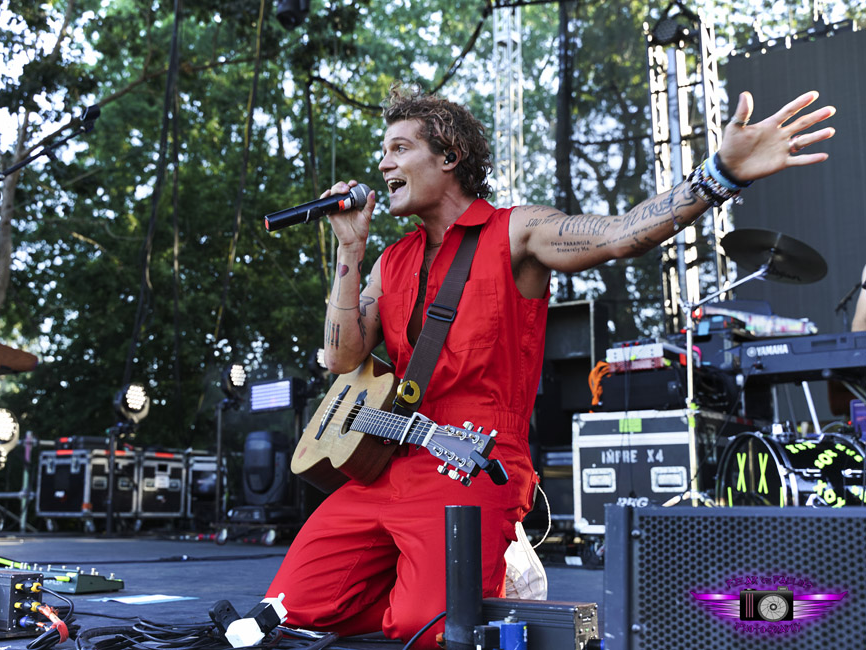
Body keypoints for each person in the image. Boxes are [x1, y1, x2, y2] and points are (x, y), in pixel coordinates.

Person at [266, 84, 835, 647]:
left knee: (427, 628)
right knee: (284, 613)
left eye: (398, 148)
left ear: (448, 156)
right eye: (383, 151)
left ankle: (488, 573)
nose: (383, 162)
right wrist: (349, 249)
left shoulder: (518, 231)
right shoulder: (391, 261)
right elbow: (342, 359)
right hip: (386, 462)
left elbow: (620, 237)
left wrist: (720, 175)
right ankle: (472, 579)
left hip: (469, 463)